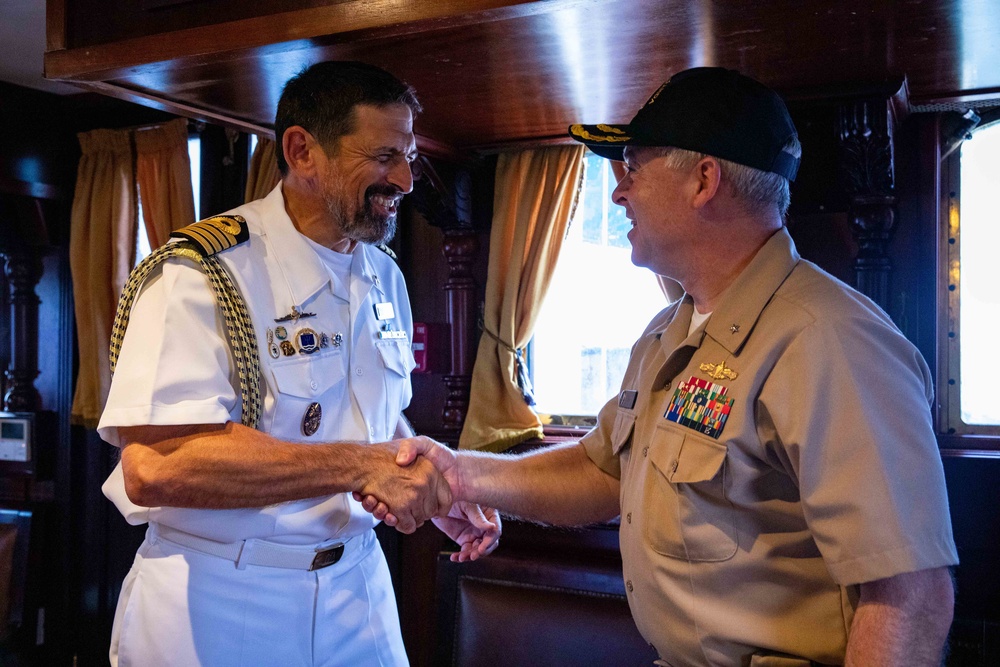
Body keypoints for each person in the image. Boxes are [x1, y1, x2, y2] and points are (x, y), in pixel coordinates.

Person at [367, 67, 958, 666]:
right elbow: (604, 472)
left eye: (635, 167)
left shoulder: (829, 339)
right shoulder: (668, 332)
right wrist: (460, 474)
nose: (619, 191)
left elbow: (908, 592)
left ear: (705, 180)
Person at [97, 61, 499, 667]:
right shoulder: (204, 273)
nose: (408, 180)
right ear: (302, 151)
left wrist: (429, 482)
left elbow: (370, 417)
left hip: (358, 590)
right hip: (221, 598)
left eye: (409, 156)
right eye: (385, 156)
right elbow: (155, 465)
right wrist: (362, 466)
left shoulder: (382, 274)